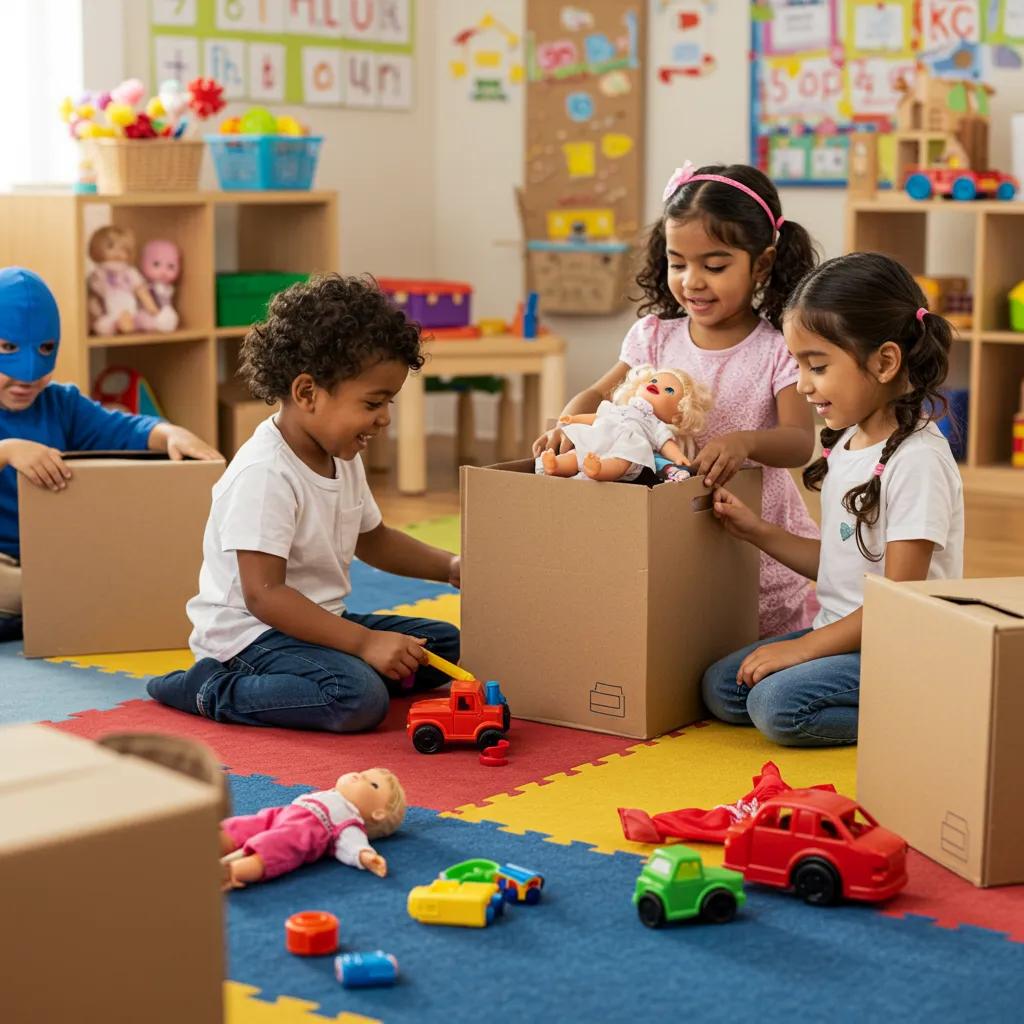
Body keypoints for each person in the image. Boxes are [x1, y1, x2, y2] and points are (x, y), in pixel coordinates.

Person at [147, 274, 461, 732]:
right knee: (357, 698)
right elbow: (264, 595)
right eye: (373, 403)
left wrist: (450, 566)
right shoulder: (265, 473)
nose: (384, 419)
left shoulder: (342, 453)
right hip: (250, 638)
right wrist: (364, 643)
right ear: (307, 393)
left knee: (443, 645)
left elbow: (374, 540)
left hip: (317, 623)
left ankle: (330, 676)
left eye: (389, 403)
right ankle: (209, 689)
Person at [534, 161, 820, 637]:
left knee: (746, 641)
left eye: (714, 266)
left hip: (747, 532)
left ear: (762, 264)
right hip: (665, 526)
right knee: (667, 626)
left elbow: (798, 441)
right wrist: (568, 424)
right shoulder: (653, 337)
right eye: (678, 263)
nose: (692, 281)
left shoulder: (777, 348)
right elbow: (598, 394)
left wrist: (745, 442)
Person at [702, 252, 964, 747]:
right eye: (798, 365)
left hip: (899, 648)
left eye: (817, 366)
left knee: (775, 706)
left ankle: (928, 715)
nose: (803, 385)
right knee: (721, 686)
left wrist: (803, 650)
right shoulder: (848, 442)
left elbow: (899, 604)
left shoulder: (918, 462)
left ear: (884, 362)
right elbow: (839, 566)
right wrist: (757, 531)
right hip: (843, 637)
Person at [0, 266, 220, 641]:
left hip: (54, 557)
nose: (28, 378)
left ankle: (51, 604)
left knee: (128, 567)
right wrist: (7, 451)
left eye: (46, 350)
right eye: (7, 349)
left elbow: (124, 428)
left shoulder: (61, 404)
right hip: (6, 566)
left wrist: (170, 433)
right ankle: (50, 604)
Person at [220, 767, 405, 889]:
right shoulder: (331, 794)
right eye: (363, 772)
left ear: (378, 813)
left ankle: (233, 871)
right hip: (282, 814)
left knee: (273, 846)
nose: (361, 776)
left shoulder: (350, 821)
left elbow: (354, 844)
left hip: (302, 833)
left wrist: (367, 857)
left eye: (373, 784)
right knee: (246, 825)